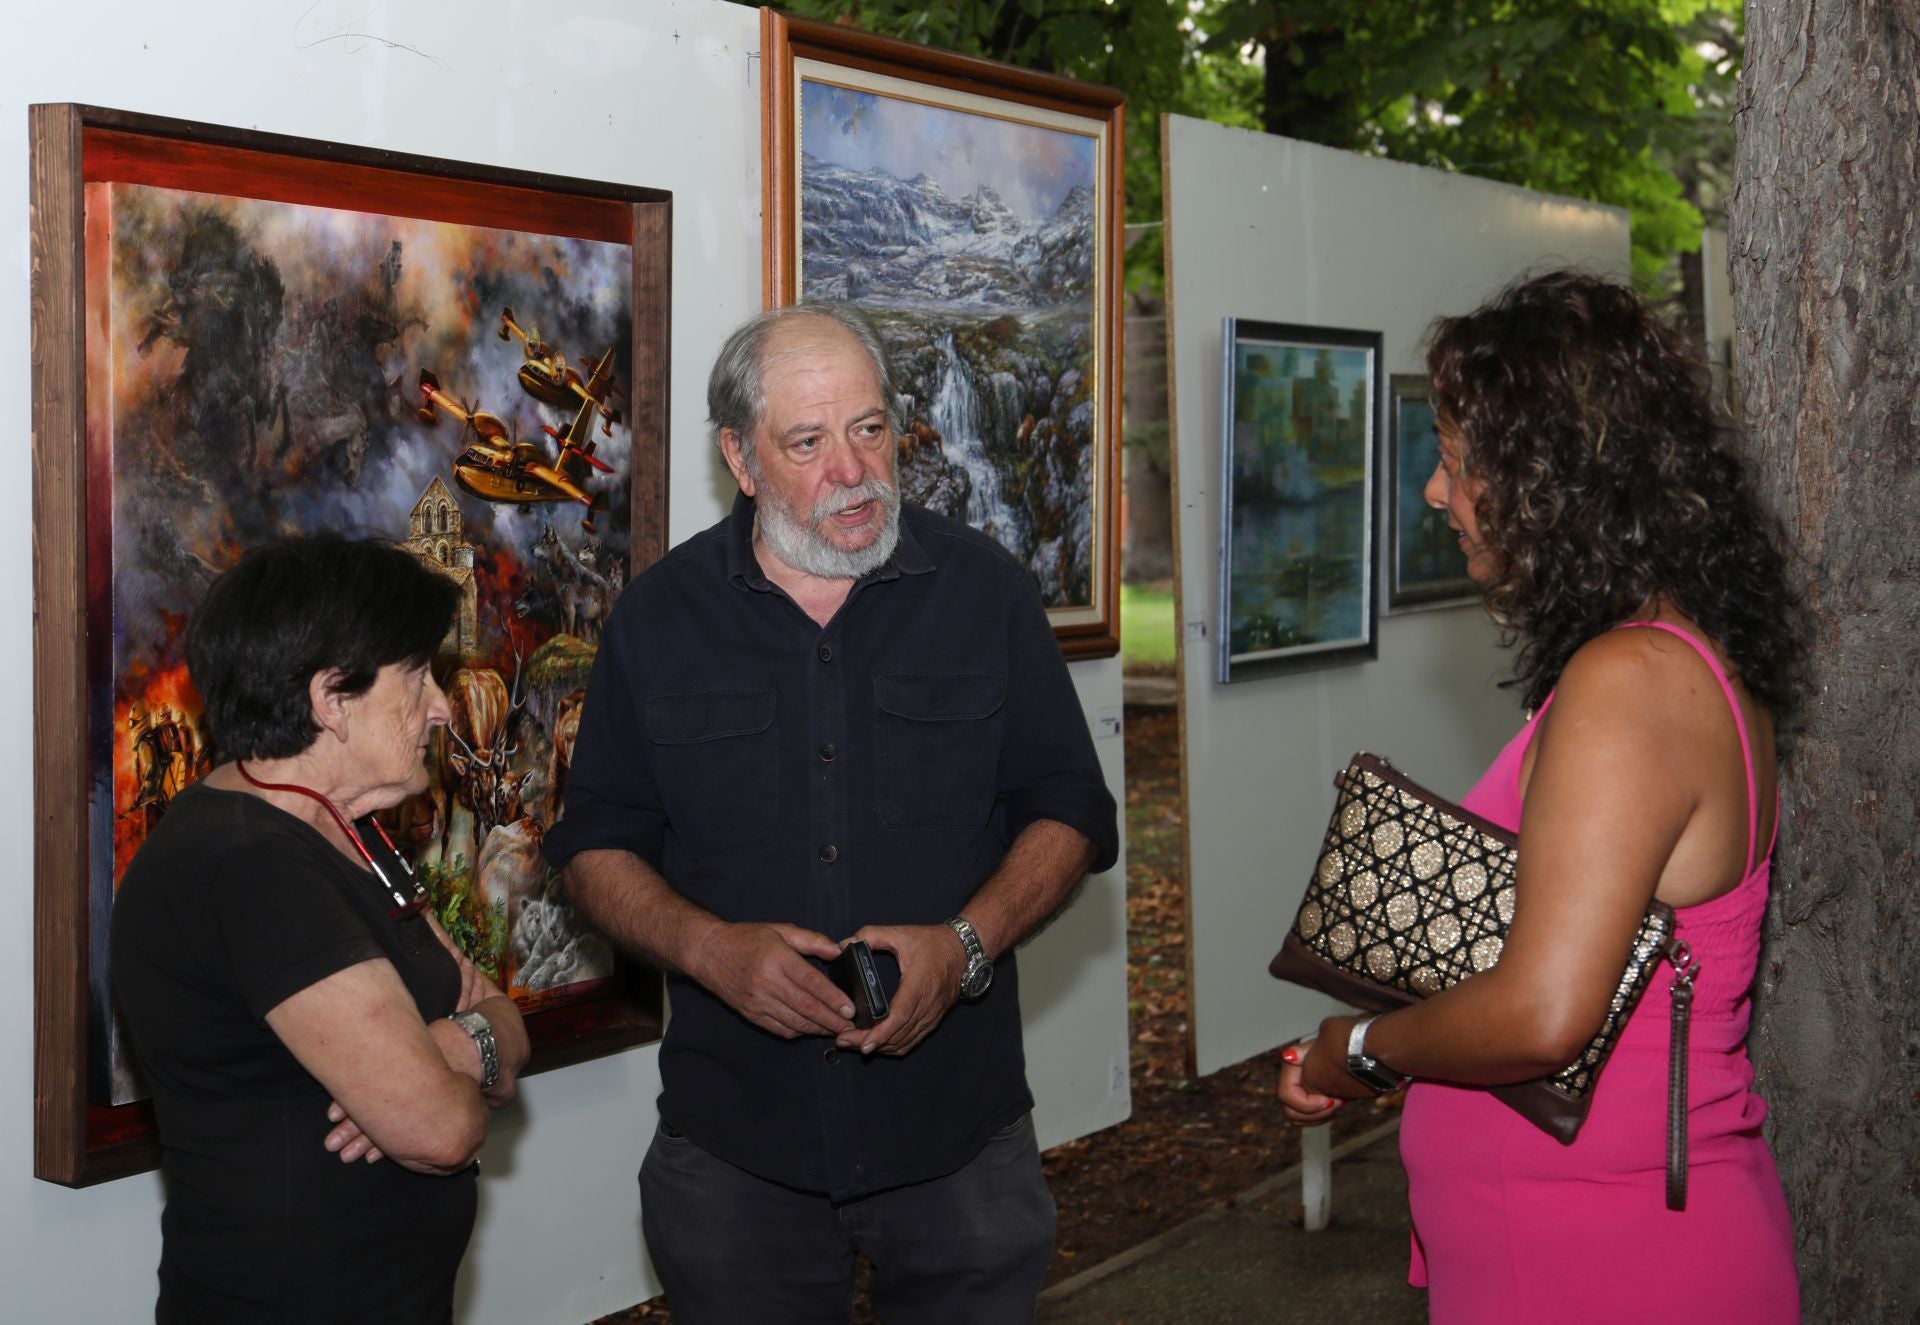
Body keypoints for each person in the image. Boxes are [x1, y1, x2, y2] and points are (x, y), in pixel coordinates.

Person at [543, 303, 1118, 1324]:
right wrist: (710, 949)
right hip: (737, 1149)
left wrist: (966, 945)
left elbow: (1069, 807)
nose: (853, 472)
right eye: (808, 442)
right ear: (740, 456)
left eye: (870, 429)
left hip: (958, 1138)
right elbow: (594, 843)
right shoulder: (659, 620)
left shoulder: (983, 593)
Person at [1276, 270, 1807, 1322]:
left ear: (1555, 479)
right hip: (1581, 1244)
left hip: (1603, 1263)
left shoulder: (1630, 682)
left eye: (1457, 460)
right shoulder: (1668, 663)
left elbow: (1545, 1012)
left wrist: (1363, 1053)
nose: (1437, 492)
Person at [111, 534, 530, 1324]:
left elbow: (500, 1011)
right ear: (330, 700)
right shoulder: (248, 865)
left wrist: (456, 1046)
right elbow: (441, 1129)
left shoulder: (348, 828)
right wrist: (459, 1070)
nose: (442, 706)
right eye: (416, 677)